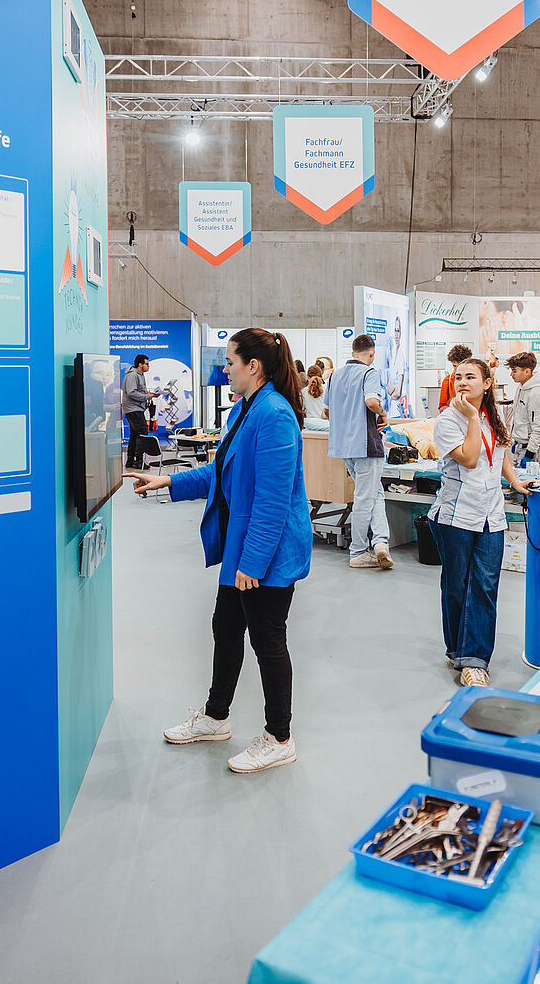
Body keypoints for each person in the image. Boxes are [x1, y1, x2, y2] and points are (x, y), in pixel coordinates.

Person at [124, 329, 313, 775]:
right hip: (240, 545)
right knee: (225, 628)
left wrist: (253, 563)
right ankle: (215, 717)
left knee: (268, 641)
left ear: (254, 366)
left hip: (266, 554)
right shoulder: (246, 408)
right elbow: (220, 471)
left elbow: (272, 501)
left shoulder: (275, 415)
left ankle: (279, 738)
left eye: (230, 362)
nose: (224, 369)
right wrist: (169, 480)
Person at [428, 359, 531, 688]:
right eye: (458, 377)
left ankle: (474, 660)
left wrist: (515, 481)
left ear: (487, 383)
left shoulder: (492, 416)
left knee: (485, 587)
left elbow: (499, 455)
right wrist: (472, 417)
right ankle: (457, 649)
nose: (462, 382)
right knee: (457, 587)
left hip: (491, 516)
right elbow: (471, 458)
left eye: (470, 377)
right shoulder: (448, 420)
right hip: (456, 516)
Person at [325, 334, 393, 570]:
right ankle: (358, 551)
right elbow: (371, 402)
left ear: (352, 351)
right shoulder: (369, 373)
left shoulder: (334, 376)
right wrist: (383, 413)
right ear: (372, 354)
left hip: (344, 446)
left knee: (375, 493)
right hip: (365, 444)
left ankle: (381, 542)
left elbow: (326, 412)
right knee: (365, 497)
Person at [505, 351, 540, 466]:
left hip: (533, 449)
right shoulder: (522, 388)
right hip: (522, 445)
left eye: (514, 371)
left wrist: (530, 454)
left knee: (529, 478)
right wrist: (517, 439)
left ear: (527, 371)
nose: (511, 374)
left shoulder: (536, 393)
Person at [121, 353, 152, 469]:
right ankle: (139, 461)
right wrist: (147, 397)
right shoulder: (132, 375)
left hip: (136, 408)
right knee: (142, 432)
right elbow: (131, 392)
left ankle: (130, 461)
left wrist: (149, 394)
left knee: (135, 435)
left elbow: (139, 391)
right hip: (133, 409)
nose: (148, 366)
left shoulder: (140, 375)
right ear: (140, 364)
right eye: (146, 364)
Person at [383, 315, 409, 419]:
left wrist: (393, 388)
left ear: (401, 333)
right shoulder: (393, 354)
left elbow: (396, 393)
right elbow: (389, 389)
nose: (396, 334)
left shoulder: (401, 355)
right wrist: (392, 388)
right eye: (395, 330)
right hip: (391, 411)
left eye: (398, 331)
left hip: (399, 410)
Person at [438, 344, 473, 411]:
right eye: (454, 366)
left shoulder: (475, 379)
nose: (457, 369)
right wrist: (447, 411)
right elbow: (442, 405)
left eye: (460, 366)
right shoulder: (447, 380)